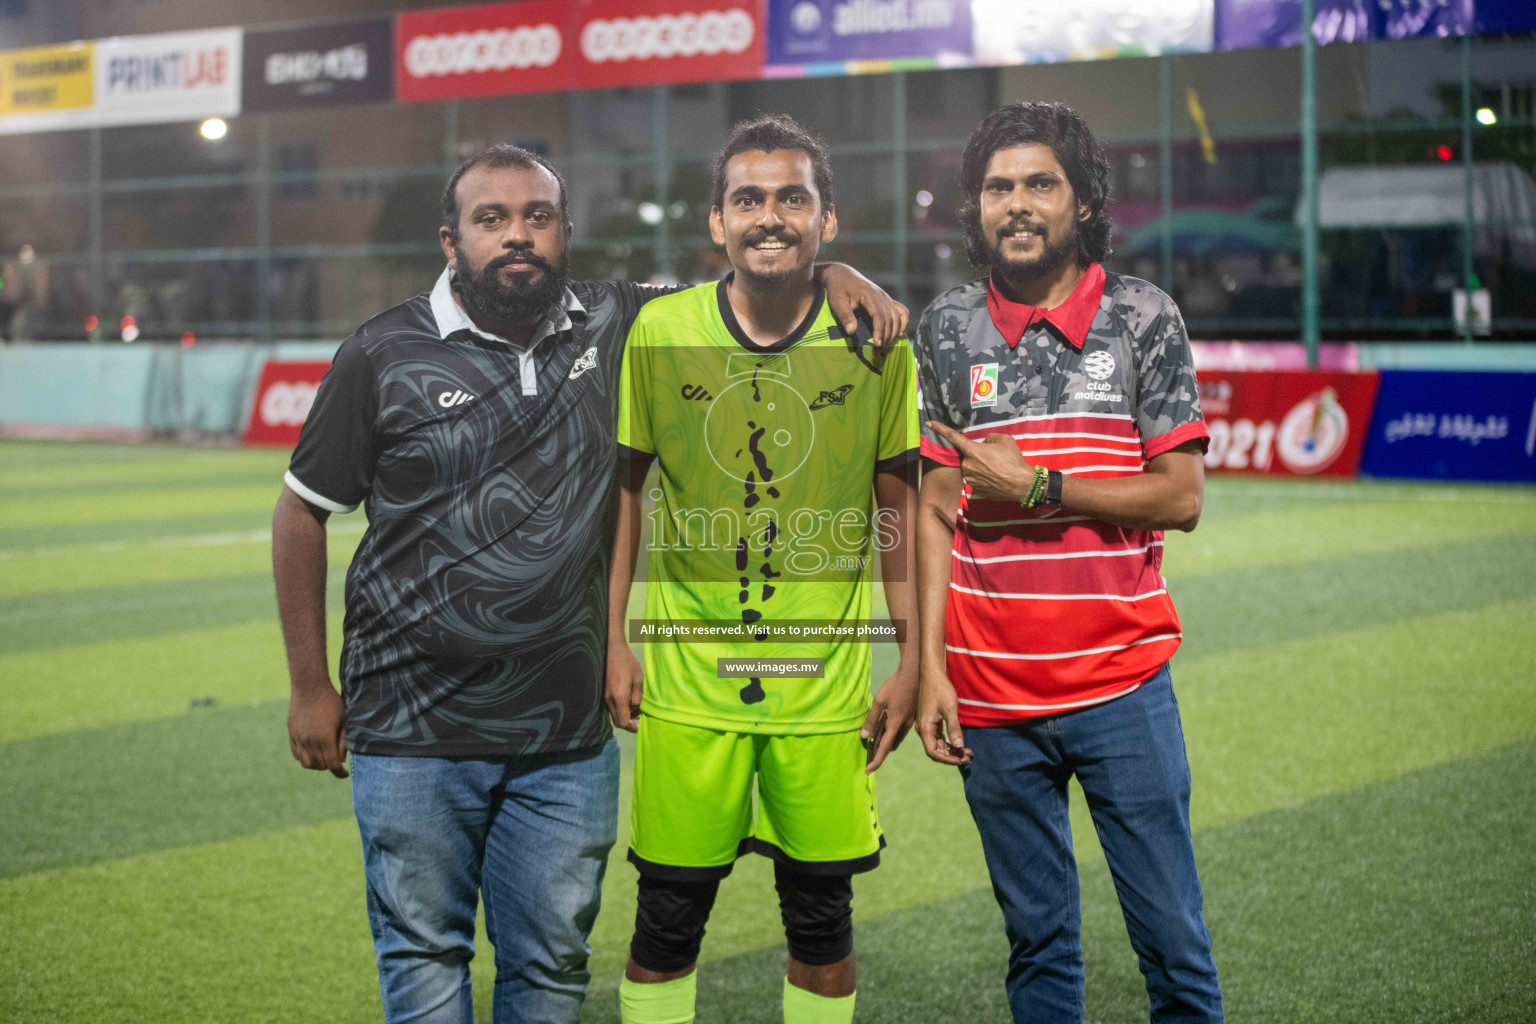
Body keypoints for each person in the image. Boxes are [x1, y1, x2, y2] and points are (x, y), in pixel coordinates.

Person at [271, 142, 905, 1024]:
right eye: (491, 219)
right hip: (409, 722)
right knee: (423, 960)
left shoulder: (619, 323)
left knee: (551, 967)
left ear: (567, 233)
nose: (517, 236)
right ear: (450, 240)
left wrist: (834, 268)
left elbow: (762, 269)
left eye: (537, 217)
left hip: (563, 734)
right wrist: (310, 686)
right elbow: (301, 513)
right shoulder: (383, 351)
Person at [912, 103, 1223, 1023]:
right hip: (992, 698)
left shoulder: (1142, 317)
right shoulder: (945, 329)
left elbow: (1181, 496)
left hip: (1123, 690)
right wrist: (928, 669)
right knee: (1038, 947)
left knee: (1173, 943)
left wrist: (1044, 485)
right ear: (974, 208)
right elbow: (933, 513)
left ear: (1083, 203)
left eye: (1039, 184)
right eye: (997, 187)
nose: (1016, 204)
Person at [606, 114, 920, 1024]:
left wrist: (912, 660)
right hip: (686, 689)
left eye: (793, 198)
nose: (769, 216)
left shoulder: (877, 342)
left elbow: (896, 511)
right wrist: (613, 640)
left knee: (823, 926)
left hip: (823, 696)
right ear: (716, 221)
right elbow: (627, 493)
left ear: (829, 222)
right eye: (748, 199)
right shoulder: (661, 331)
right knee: (665, 925)